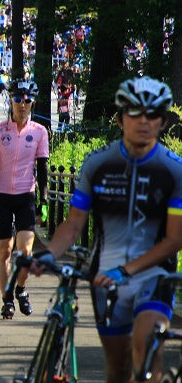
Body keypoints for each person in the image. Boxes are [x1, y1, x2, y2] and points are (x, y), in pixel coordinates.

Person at [31, 77, 182, 383]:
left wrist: (127, 271)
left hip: (154, 276)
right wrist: (48, 254)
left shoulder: (174, 170)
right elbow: (73, 226)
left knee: (145, 347)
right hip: (104, 279)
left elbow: (175, 239)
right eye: (134, 112)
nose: (143, 121)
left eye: (152, 114)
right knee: (117, 368)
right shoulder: (97, 164)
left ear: (163, 121)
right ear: (119, 117)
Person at [0, 79, 49, 319]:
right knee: (4, 251)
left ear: (32, 103)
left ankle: (21, 290)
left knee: (25, 252)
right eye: (18, 100)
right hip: (1, 195)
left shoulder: (40, 132)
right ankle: (6, 299)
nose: (23, 105)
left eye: (27, 100)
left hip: (25, 196)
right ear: (11, 101)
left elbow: (42, 169)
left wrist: (44, 202)